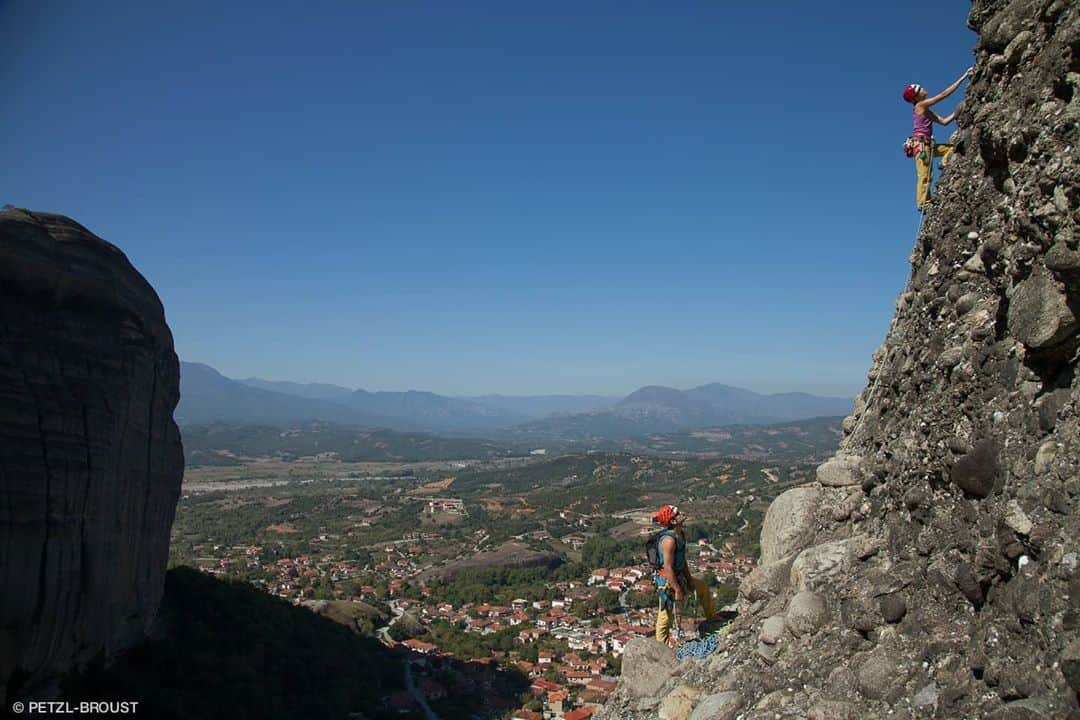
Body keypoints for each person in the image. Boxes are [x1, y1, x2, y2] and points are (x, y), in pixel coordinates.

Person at [903, 67, 972, 210]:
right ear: (917, 97)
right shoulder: (920, 106)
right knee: (925, 175)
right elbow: (943, 95)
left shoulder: (925, 111)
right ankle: (923, 203)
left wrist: (958, 111)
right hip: (921, 146)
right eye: (920, 89)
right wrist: (963, 77)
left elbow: (945, 121)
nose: (923, 89)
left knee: (952, 149)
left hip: (928, 145)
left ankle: (945, 162)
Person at [651, 504, 719, 645]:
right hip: (667, 580)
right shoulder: (669, 541)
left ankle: (713, 619)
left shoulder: (680, 535)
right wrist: (677, 590)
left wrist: (689, 580)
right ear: (673, 520)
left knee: (702, 589)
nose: (681, 513)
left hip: (679, 575)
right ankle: (661, 645)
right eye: (677, 513)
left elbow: (682, 560)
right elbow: (668, 568)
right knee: (665, 615)